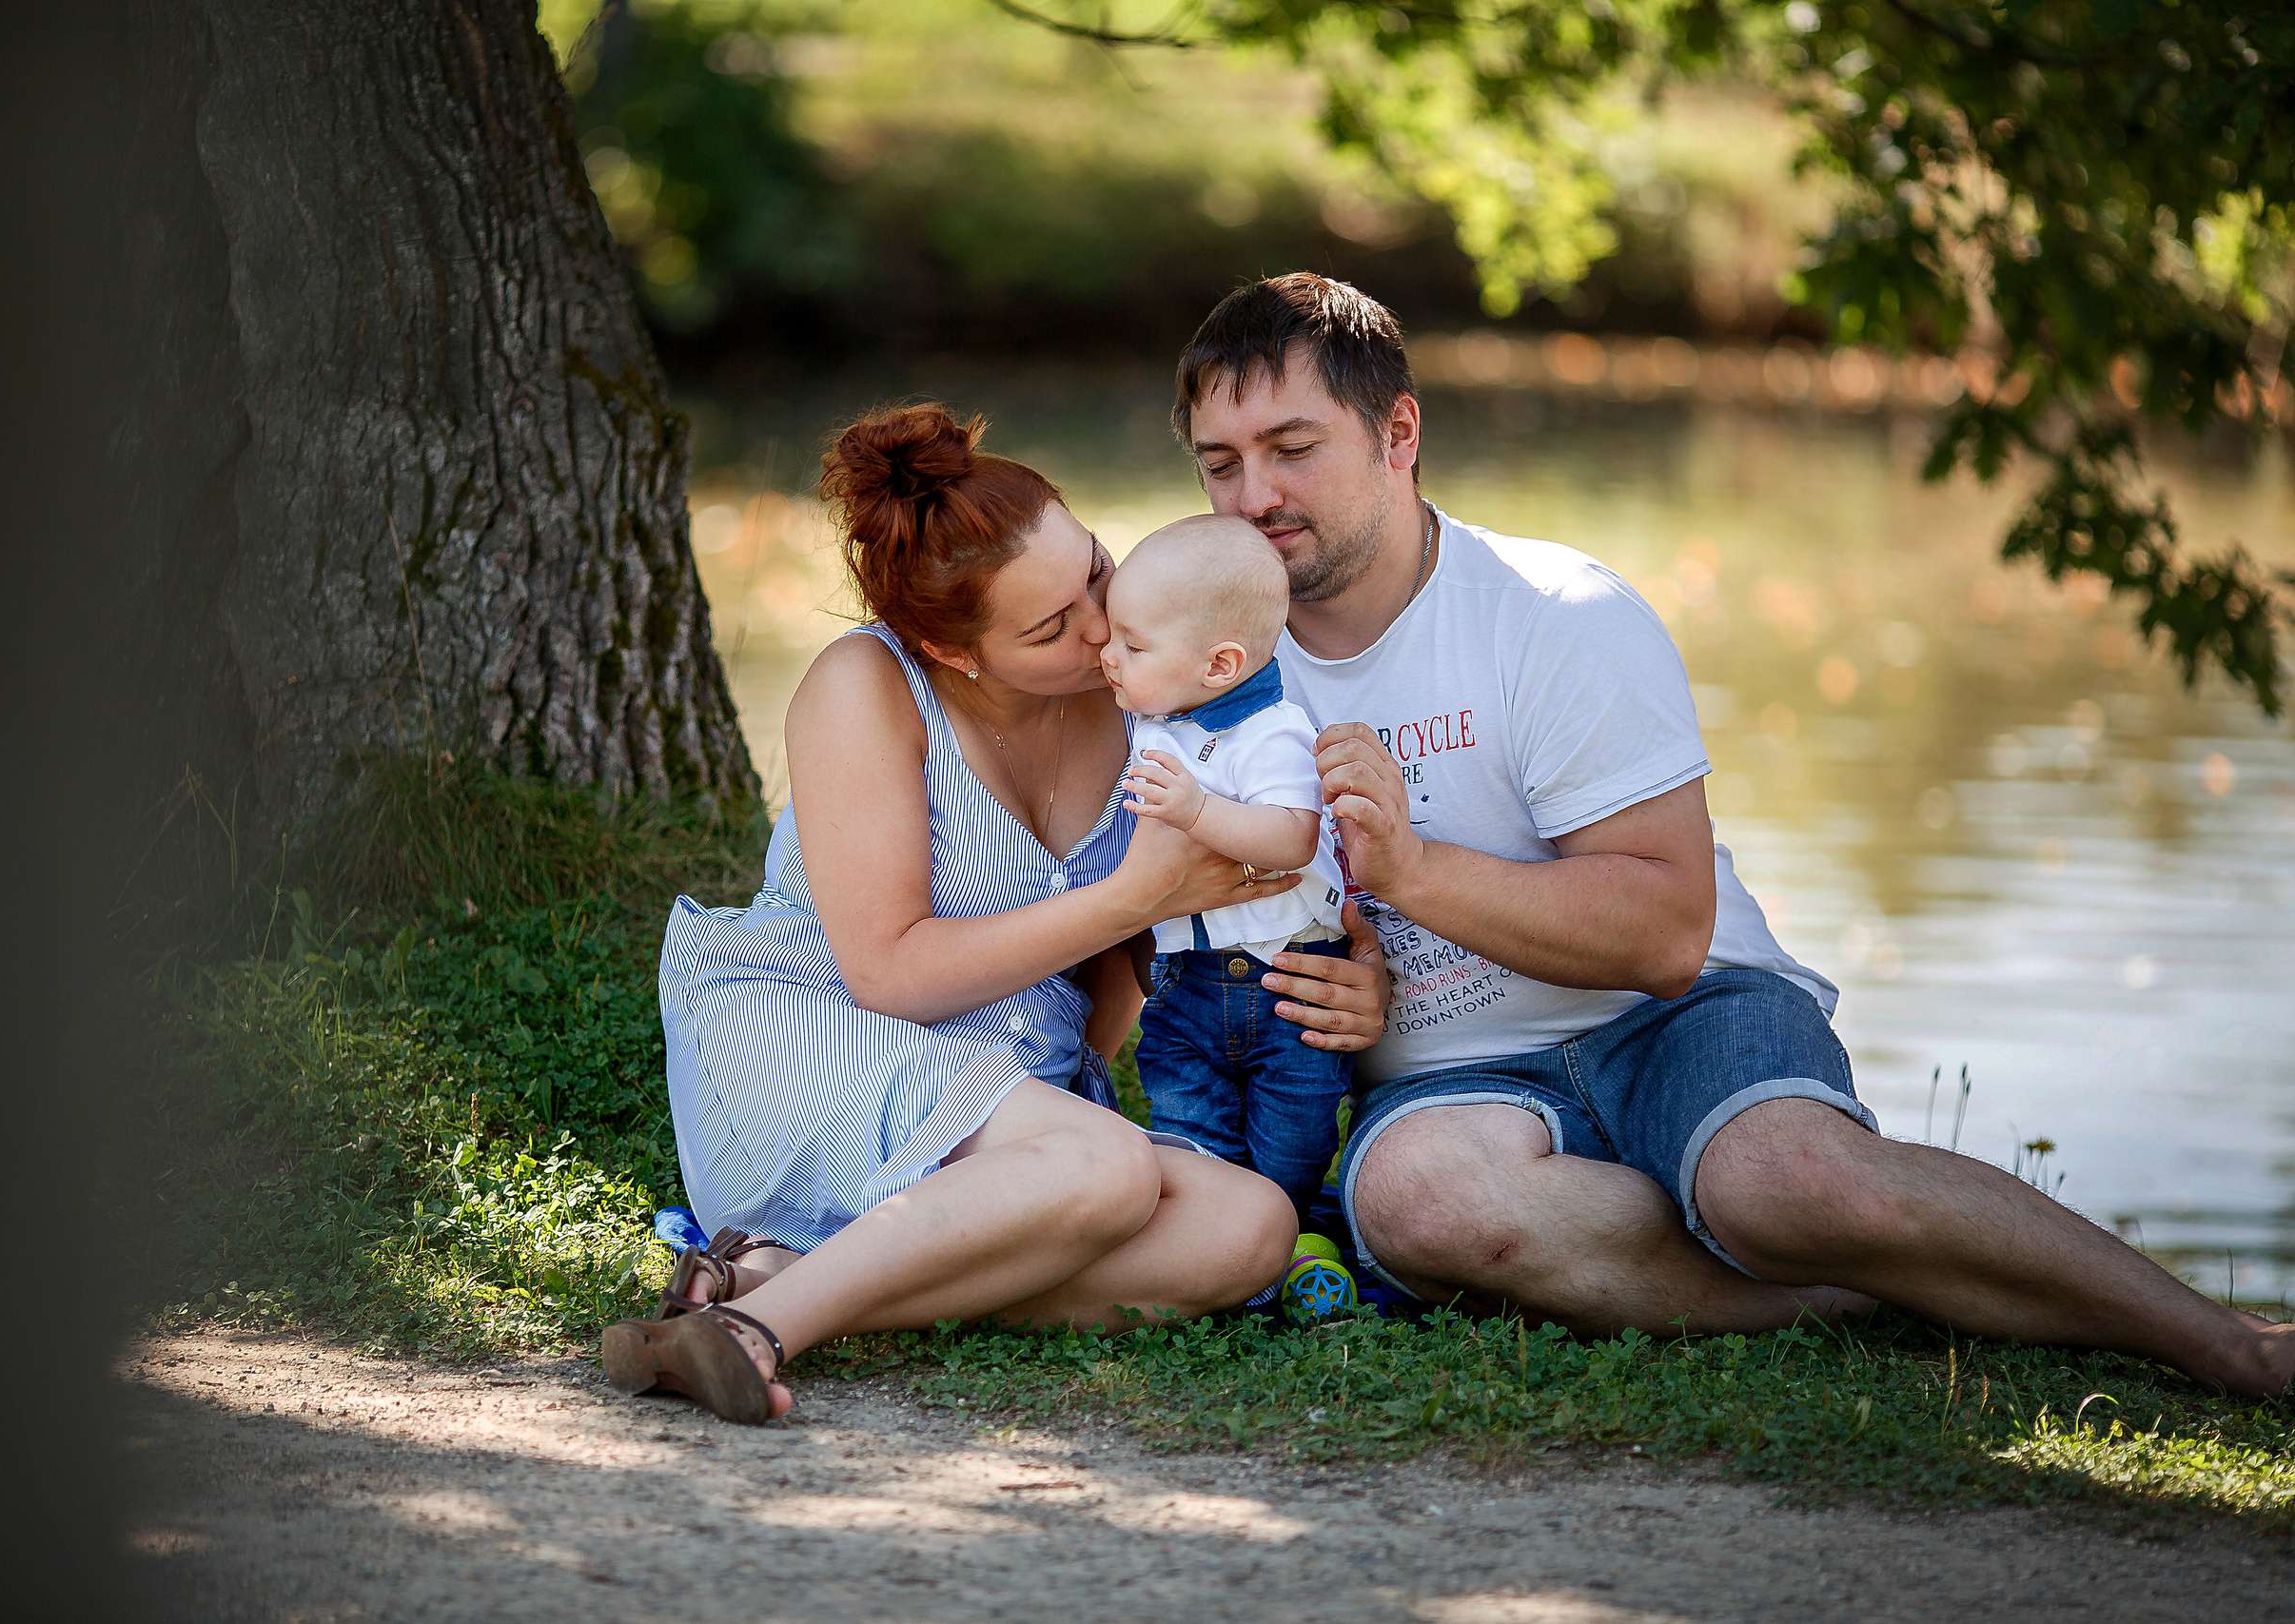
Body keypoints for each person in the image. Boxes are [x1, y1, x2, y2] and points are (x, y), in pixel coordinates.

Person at [1165, 271, 2295, 1402]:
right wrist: (1339, 994)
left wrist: (1414, 870)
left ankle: (2224, 1342)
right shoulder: (1198, 670)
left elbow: (1661, 933)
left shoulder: (1552, 613)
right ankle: (1867, 1296)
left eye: (1292, 447)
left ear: (1397, 431)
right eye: (1221, 464)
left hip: (1678, 1013)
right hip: (1452, 1083)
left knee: (1794, 1182)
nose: (1254, 493)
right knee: (1426, 1206)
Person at [611, 403, 1337, 1424]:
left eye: (1093, 571)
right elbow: (888, 971)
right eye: (1049, 627)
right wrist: (1133, 894)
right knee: (1105, 1163)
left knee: (1248, 1227)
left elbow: (1140, 949)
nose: (1100, 628)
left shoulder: (1138, 680)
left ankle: (776, 1276)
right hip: (823, 1038)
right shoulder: (868, 684)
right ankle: (750, 1333)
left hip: (1004, 1090)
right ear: (952, 652)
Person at [1104, 514, 1355, 1229]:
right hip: (1188, 981)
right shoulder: (1160, 714)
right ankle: (1214, 1238)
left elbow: (1291, 837)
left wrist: (1195, 810)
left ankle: (1290, 1231)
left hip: (1286, 979)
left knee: (1294, 1134)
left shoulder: (1270, 730)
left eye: (1134, 645)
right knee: (1189, 1117)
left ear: (1219, 665)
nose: (1109, 657)